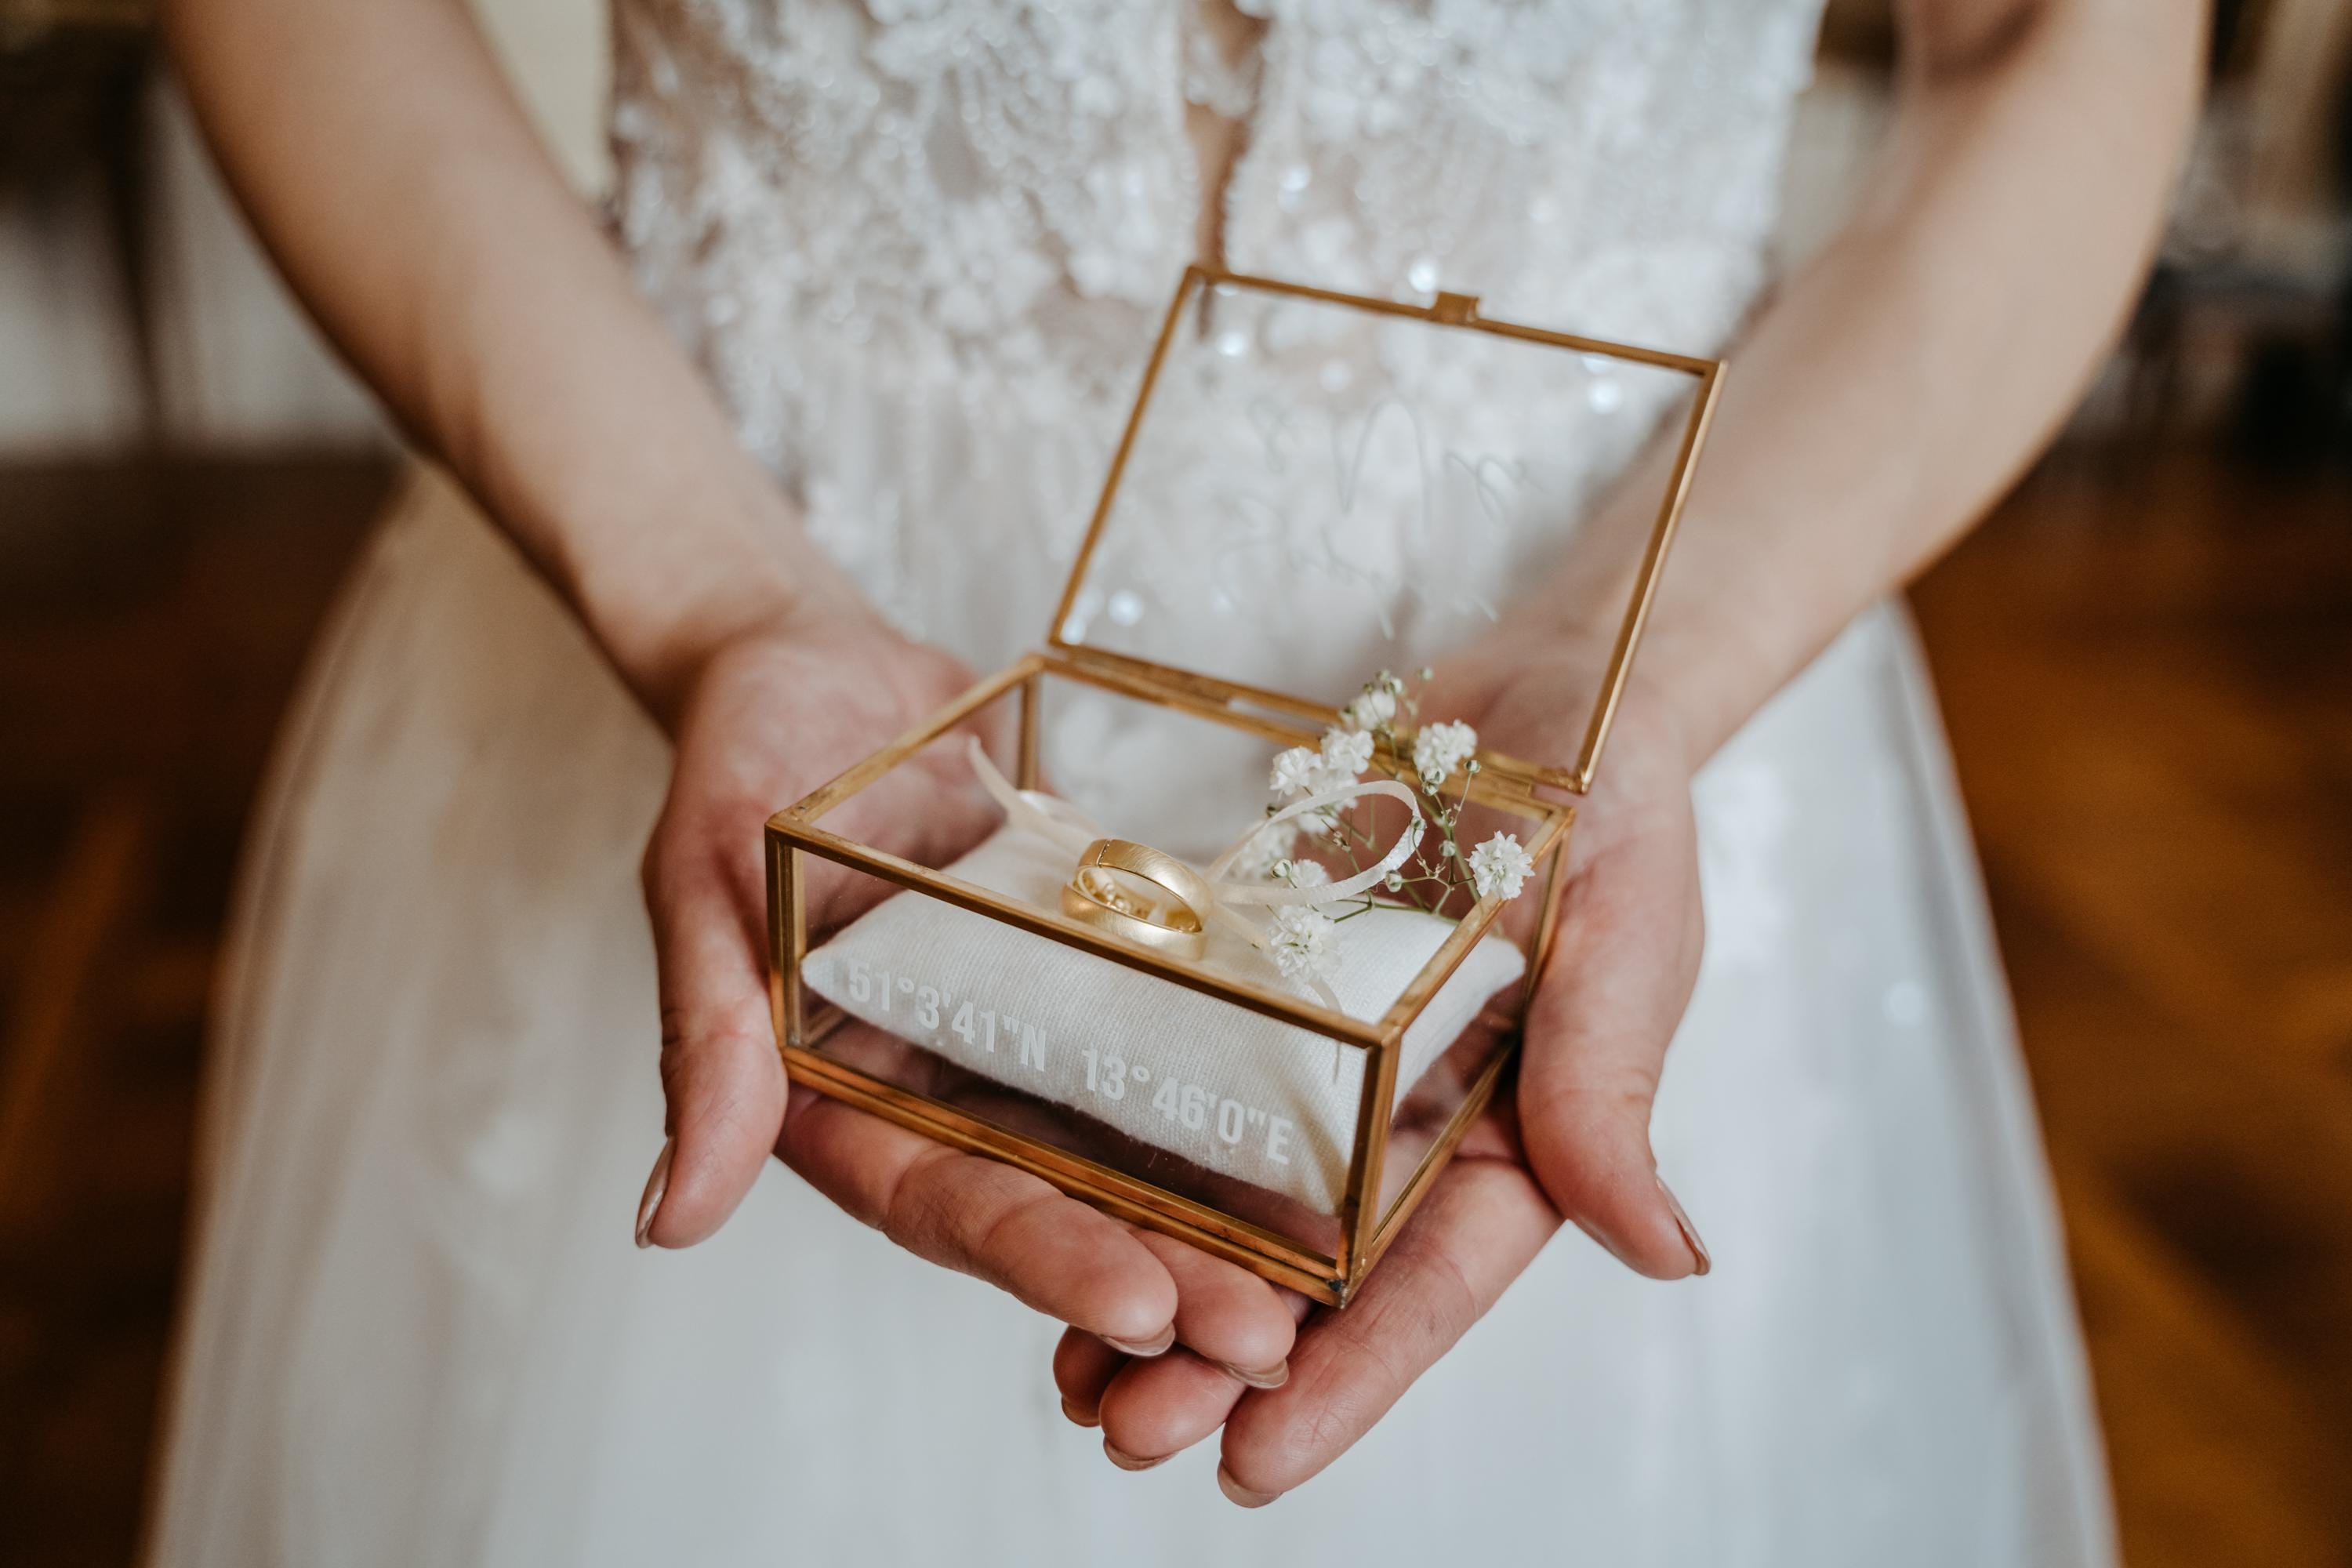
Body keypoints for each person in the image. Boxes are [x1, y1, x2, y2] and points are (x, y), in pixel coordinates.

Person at [146, 0, 2201, 1562]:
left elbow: (2061, 46)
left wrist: (1642, 673)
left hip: (1626, 679)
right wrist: (704, 594)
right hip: (694, 576)